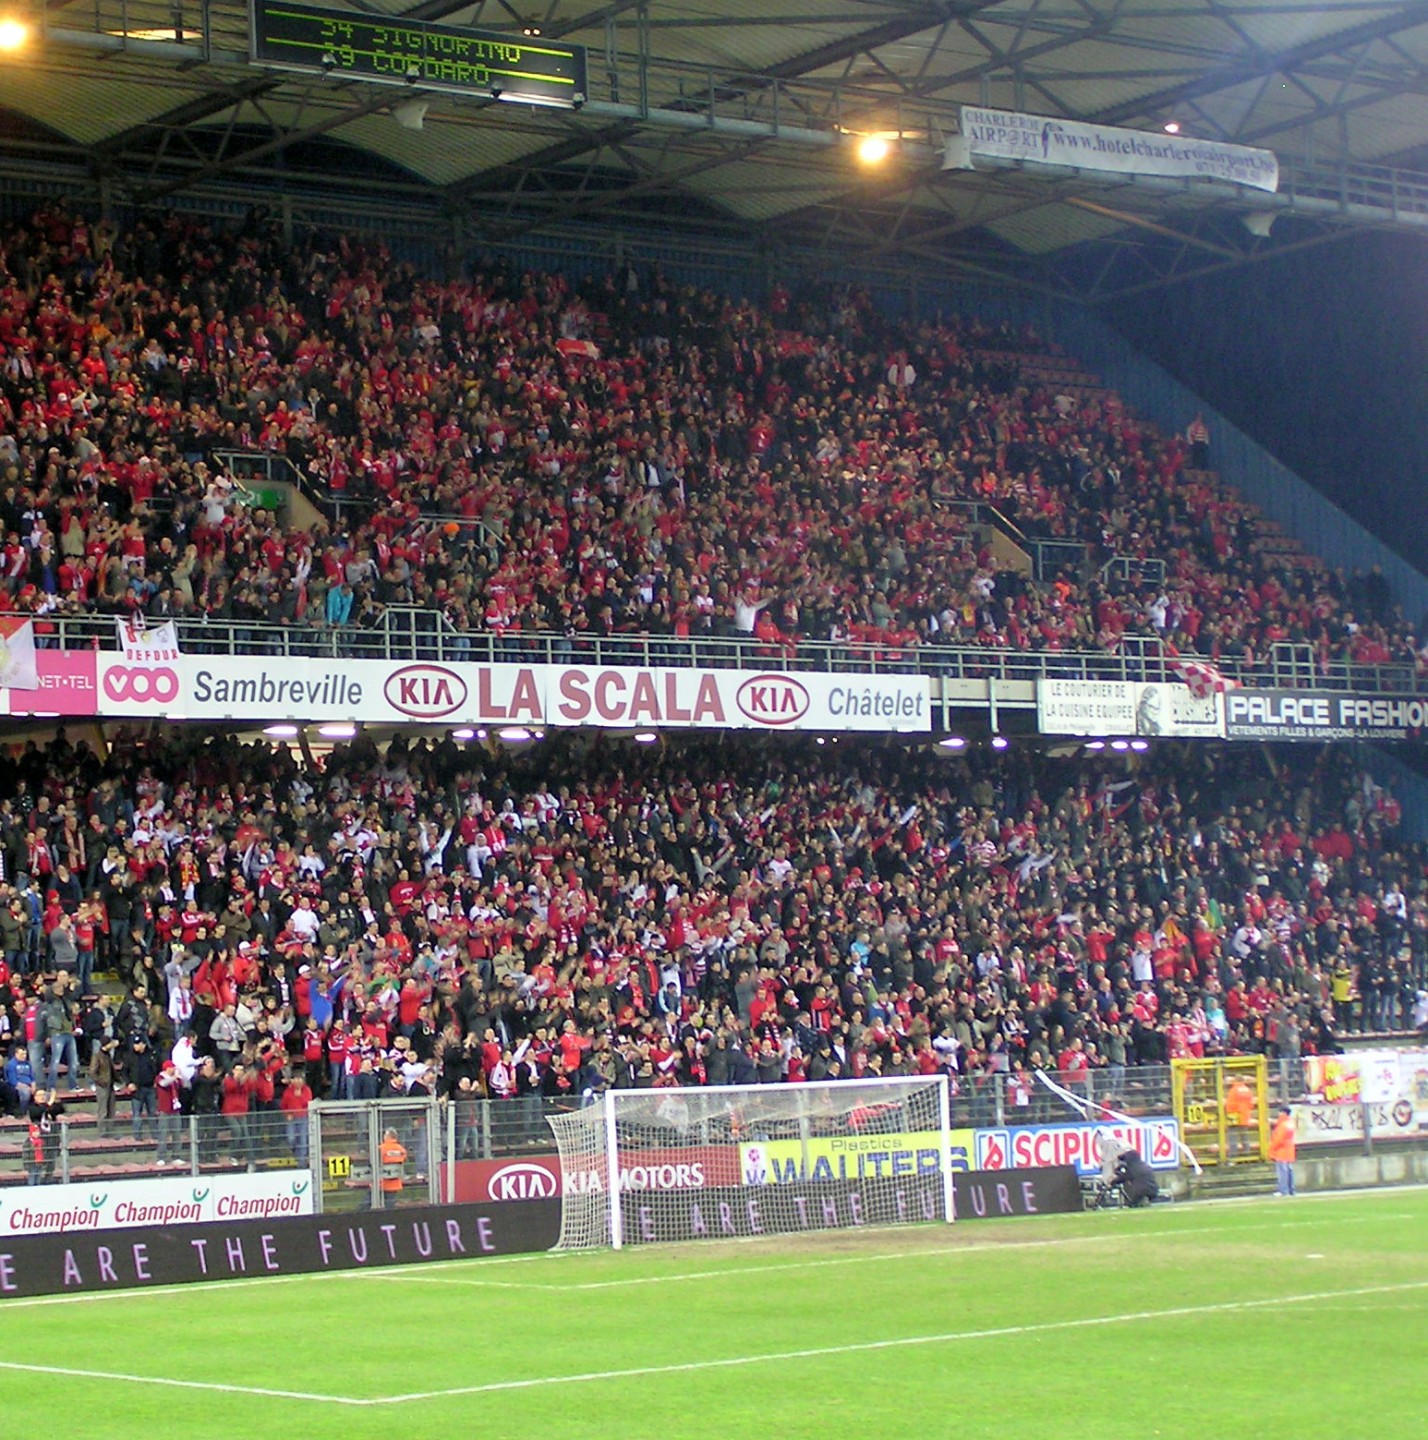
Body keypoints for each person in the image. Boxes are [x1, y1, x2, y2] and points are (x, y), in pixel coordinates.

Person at [1269, 1106, 1297, 1196]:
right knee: (1289, 1171)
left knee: (1282, 1172)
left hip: (1281, 1151)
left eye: (1280, 1112)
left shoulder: (1282, 1125)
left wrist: (1272, 1149)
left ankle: (1283, 1191)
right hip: (1289, 1150)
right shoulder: (1290, 1123)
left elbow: (1278, 1139)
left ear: (1283, 1113)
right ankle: (1291, 1190)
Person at [379, 1126, 407, 1202]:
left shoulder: (381, 1148)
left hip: (381, 1182)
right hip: (395, 1182)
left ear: (388, 1136)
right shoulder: (401, 1149)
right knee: (390, 1202)